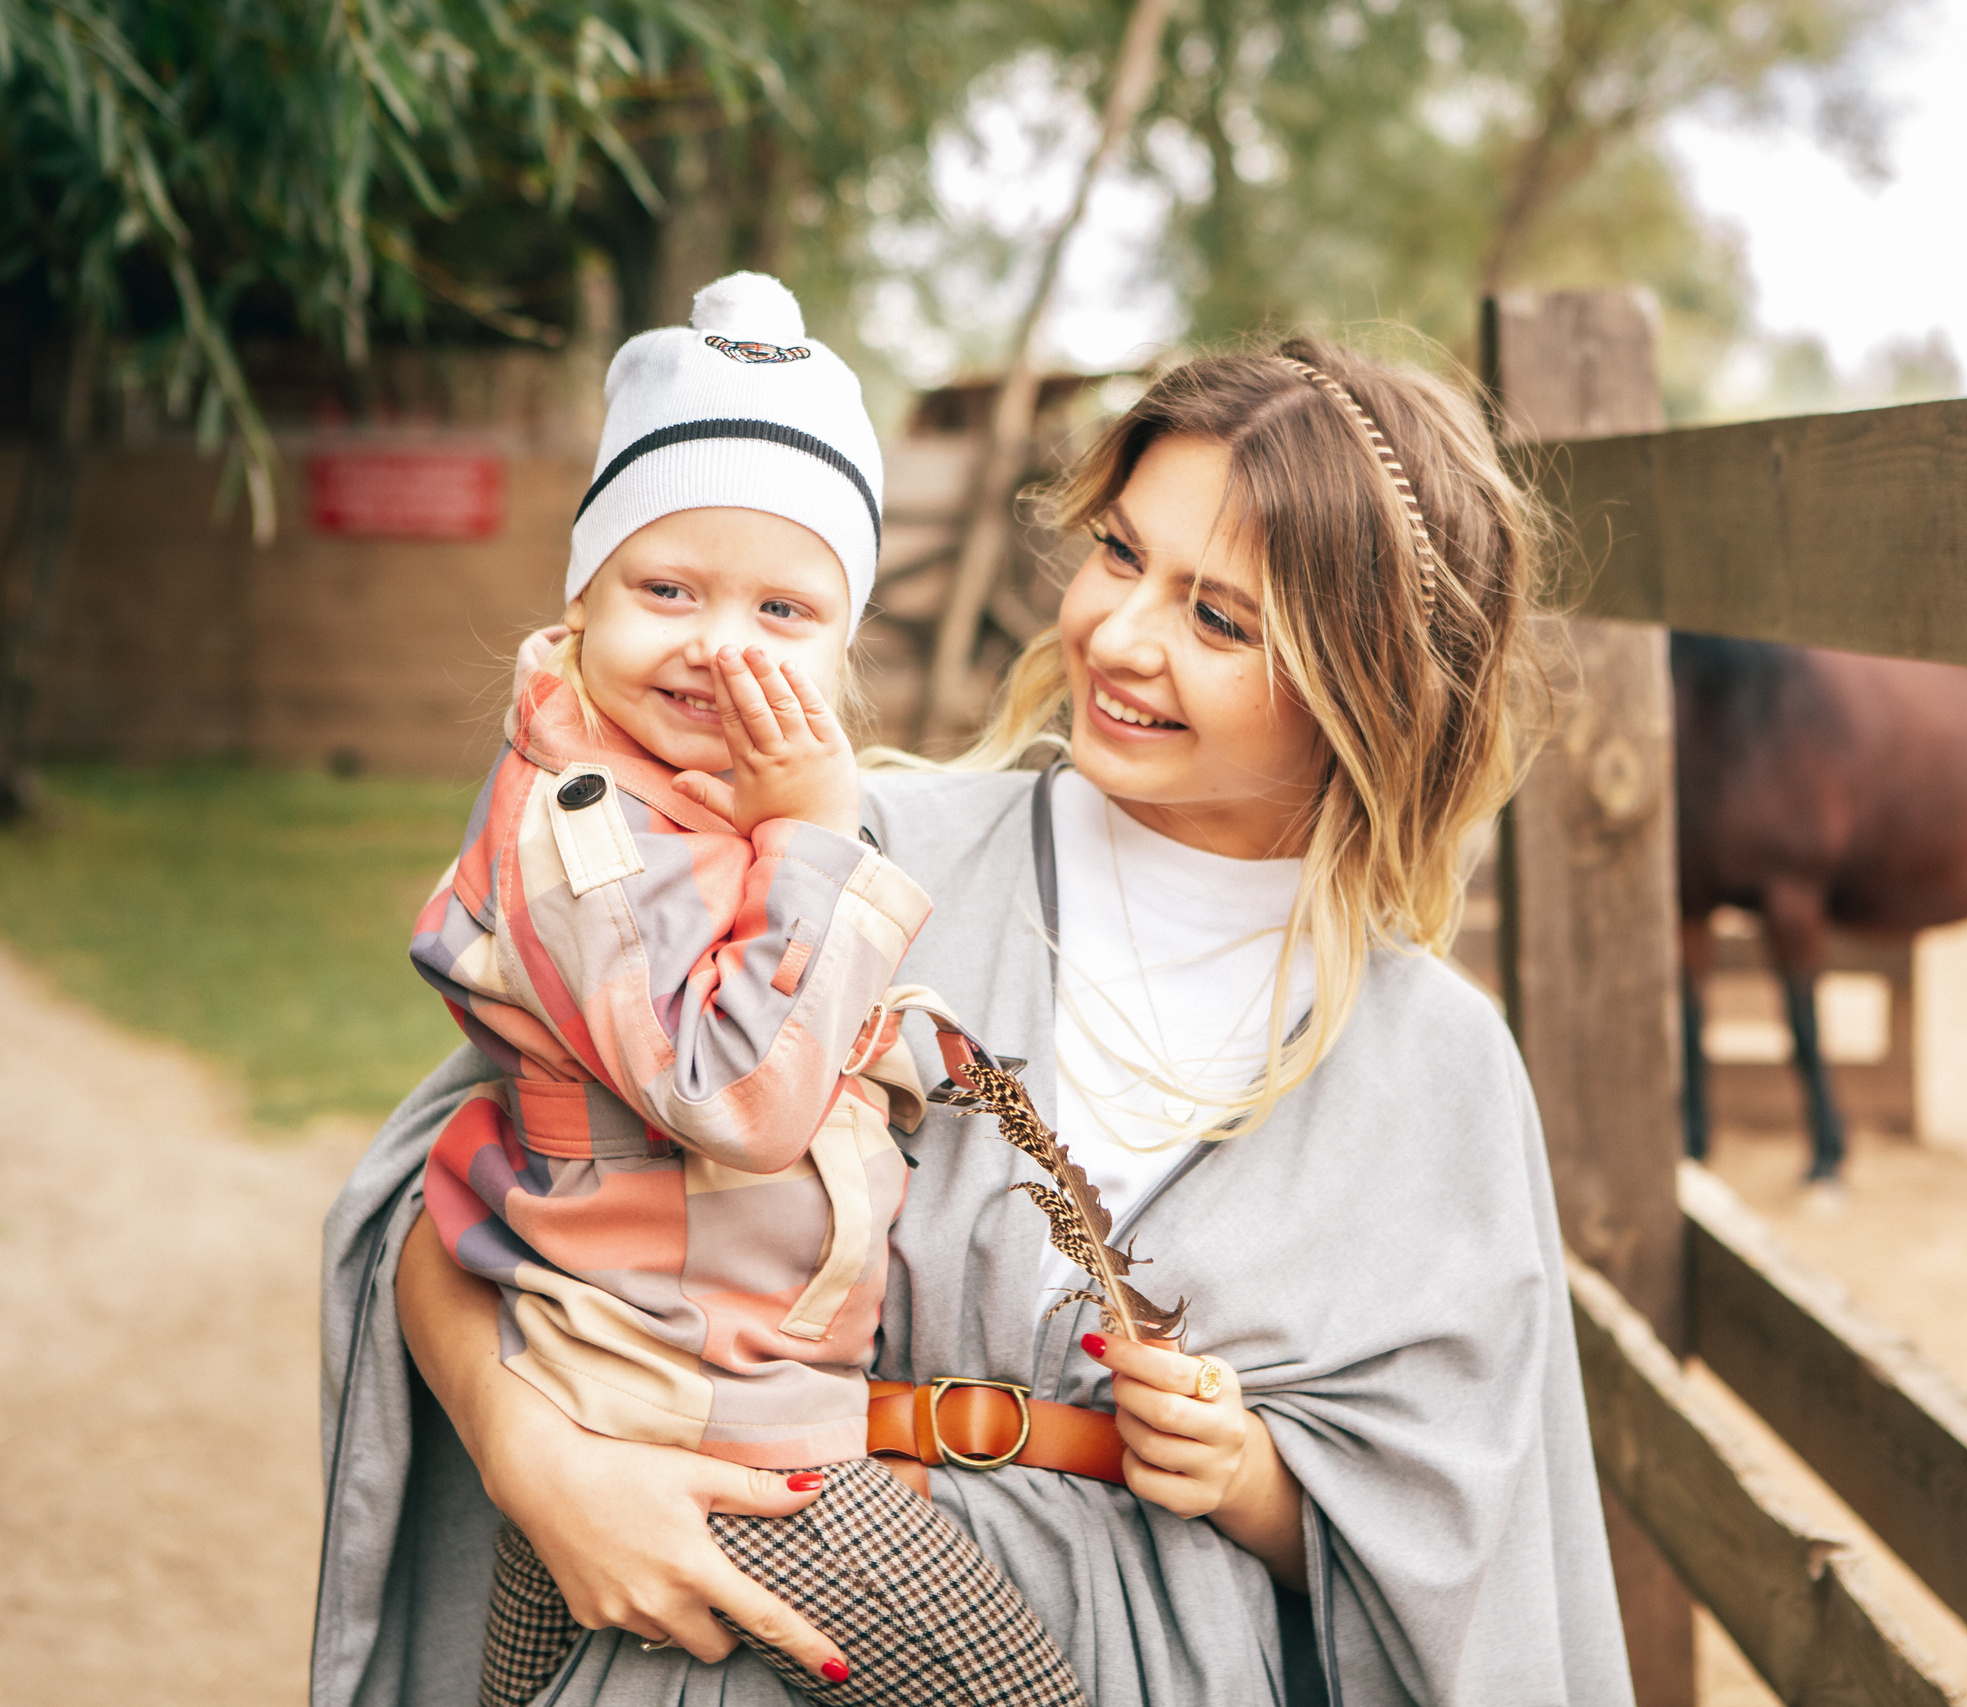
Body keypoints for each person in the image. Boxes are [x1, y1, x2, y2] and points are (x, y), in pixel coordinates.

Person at [314, 334, 1638, 1707]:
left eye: (1220, 619)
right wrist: (541, 1460)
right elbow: (449, 1205)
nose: (1118, 637)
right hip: (720, 1649)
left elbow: (1478, 1564)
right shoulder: (839, 866)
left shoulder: (1435, 1069)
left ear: (1374, 684)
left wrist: (1253, 1481)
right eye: (1121, 556)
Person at [402, 267, 1081, 1707]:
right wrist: (820, 835)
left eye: (785, 608)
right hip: (702, 1404)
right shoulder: (590, 820)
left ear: (846, 646)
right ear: (581, 595)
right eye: (669, 589)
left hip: (657, 1366)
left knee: (524, 1687)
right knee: (1017, 1691)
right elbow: (730, 1093)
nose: (724, 642)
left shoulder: (683, 799)